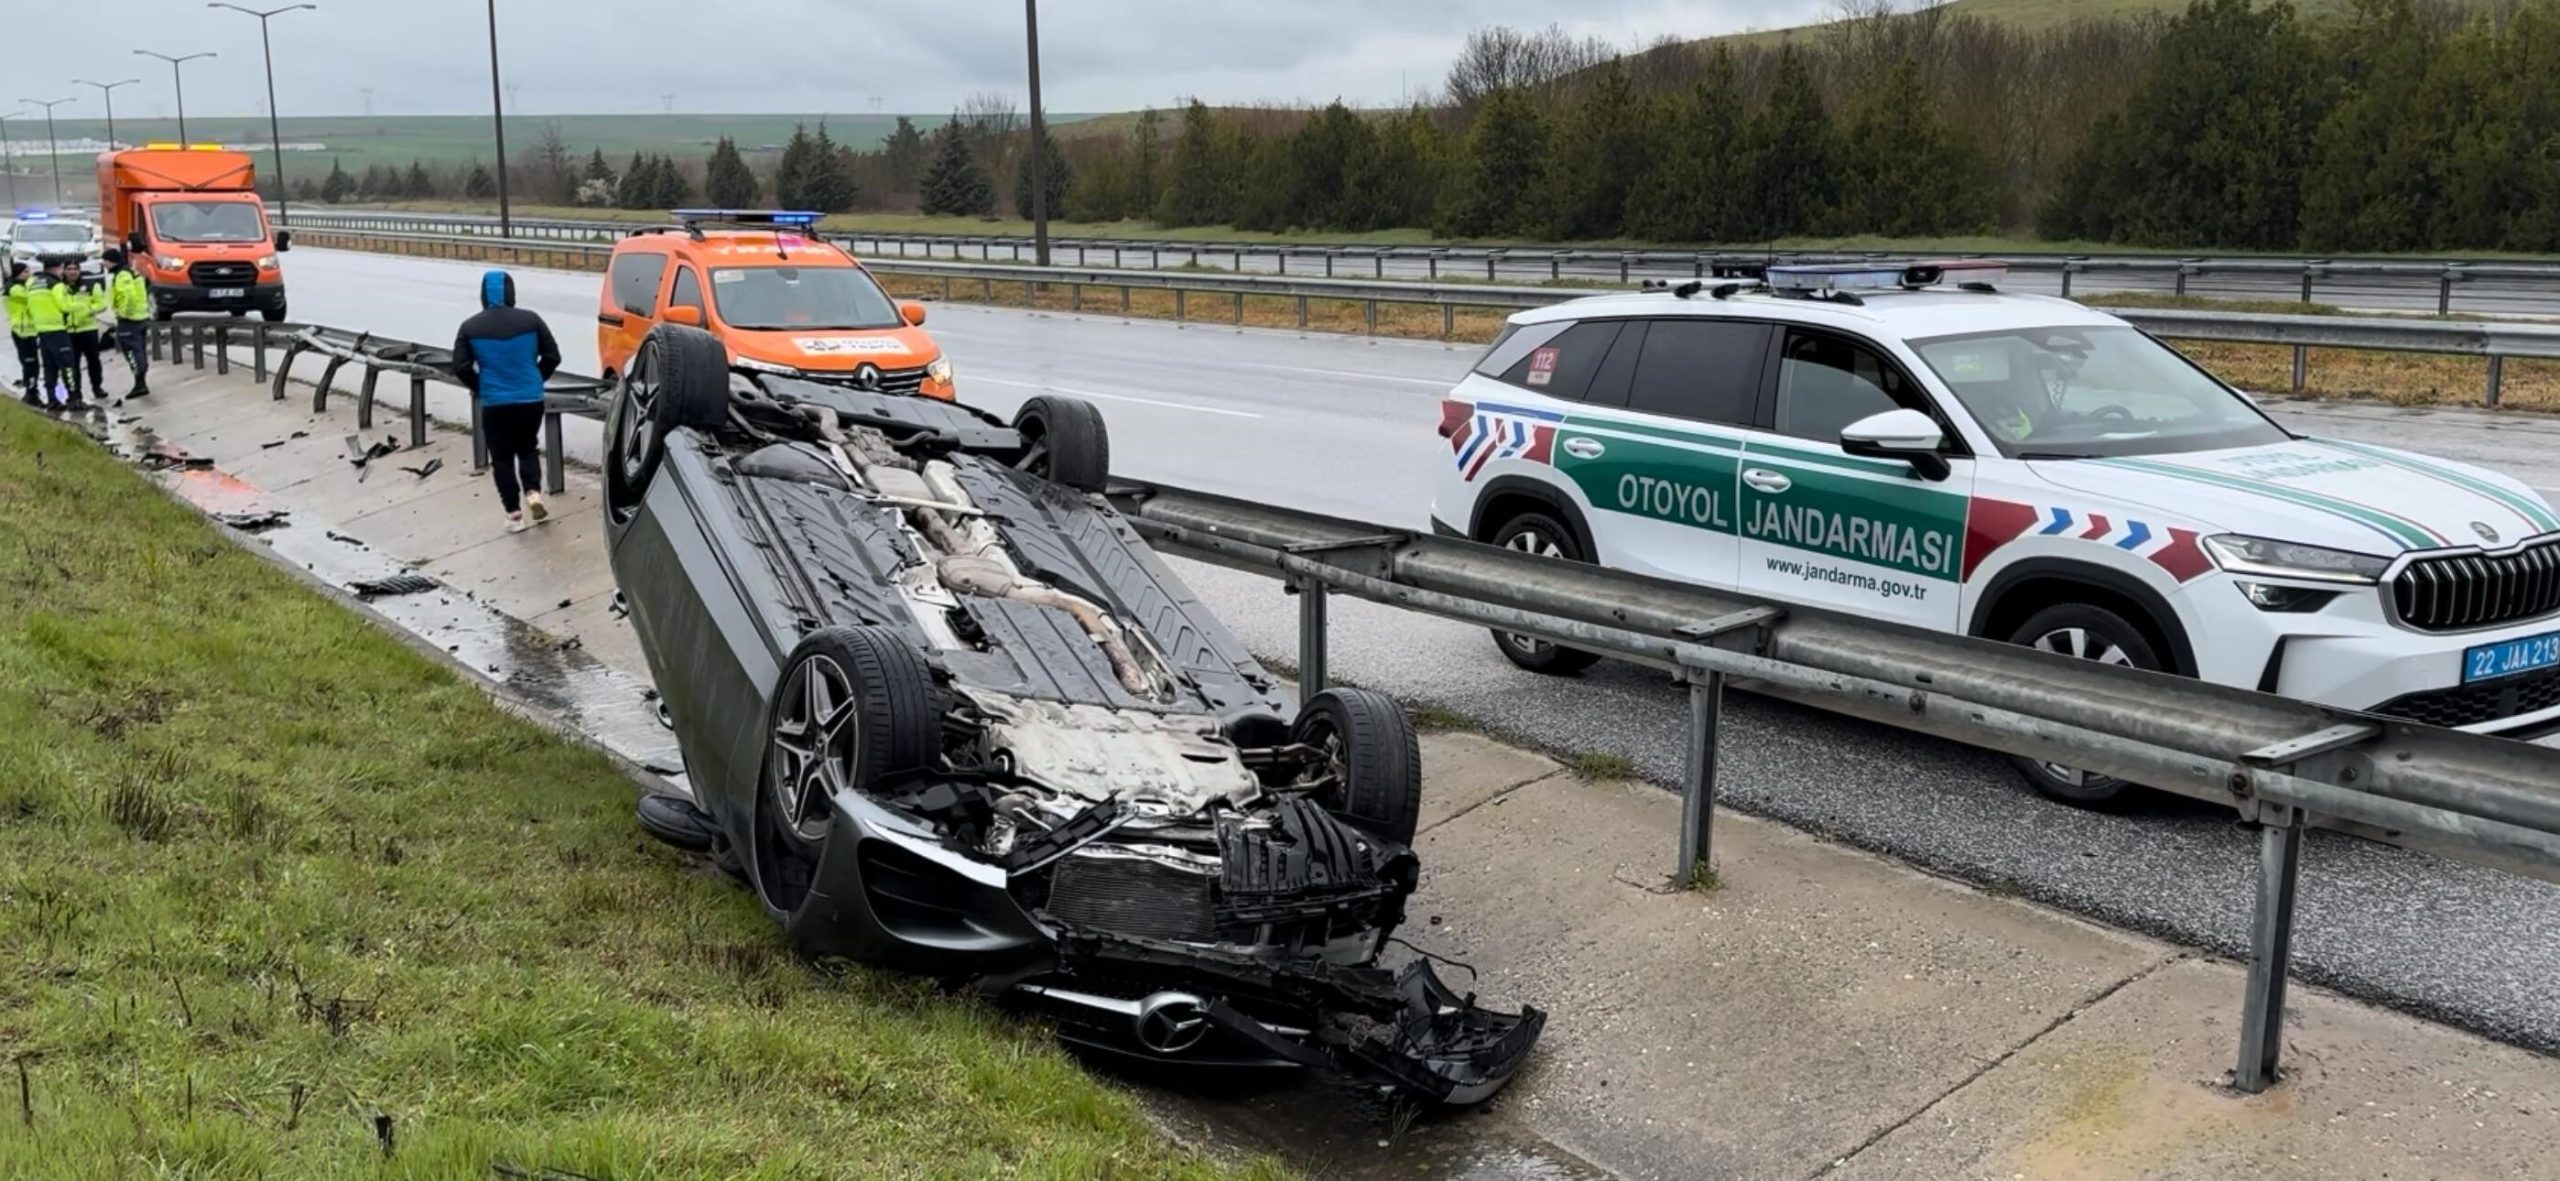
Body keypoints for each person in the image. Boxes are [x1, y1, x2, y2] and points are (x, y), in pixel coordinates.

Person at [451, 269, 561, 534]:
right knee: (527, 448)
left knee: (501, 459)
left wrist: (481, 387)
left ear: (483, 295)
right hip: (530, 399)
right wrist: (536, 378)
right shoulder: (531, 320)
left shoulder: (469, 327)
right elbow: (552, 356)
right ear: (511, 292)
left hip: (495, 403)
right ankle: (533, 493)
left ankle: (514, 515)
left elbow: (460, 367)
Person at [26, 262, 80, 413]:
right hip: (58, 331)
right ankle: (73, 399)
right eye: (62, 268)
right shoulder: (56, 285)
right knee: (67, 366)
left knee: (50, 368)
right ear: (57, 268)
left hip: (42, 332)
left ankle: (52, 399)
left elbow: (29, 309)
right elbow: (65, 306)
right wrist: (77, 303)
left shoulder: (33, 285)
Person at [104, 249, 151, 398]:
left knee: (132, 352)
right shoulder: (130, 271)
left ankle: (140, 384)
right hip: (140, 317)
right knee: (139, 351)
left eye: (105, 261)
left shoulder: (122, 275)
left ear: (110, 261)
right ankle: (141, 382)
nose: (104, 264)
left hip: (129, 320)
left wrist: (124, 313)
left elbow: (128, 296)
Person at [64, 261, 109, 406]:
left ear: (80, 270)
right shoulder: (60, 287)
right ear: (64, 271)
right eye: (69, 269)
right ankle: (75, 392)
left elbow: (101, 304)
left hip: (88, 329)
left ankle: (97, 387)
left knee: (93, 361)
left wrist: (88, 310)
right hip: (69, 331)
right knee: (72, 364)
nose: (72, 272)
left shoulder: (91, 284)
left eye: (75, 269)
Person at [5, 263, 37, 405]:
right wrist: (32, 281)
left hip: (28, 329)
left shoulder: (17, 286)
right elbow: (30, 297)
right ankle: (31, 394)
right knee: (30, 364)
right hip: (23, 331)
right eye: (26, 272)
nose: (29, 274)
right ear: (18, 273)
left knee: (31, 363)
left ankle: (31, 390)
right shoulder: (14, 288)